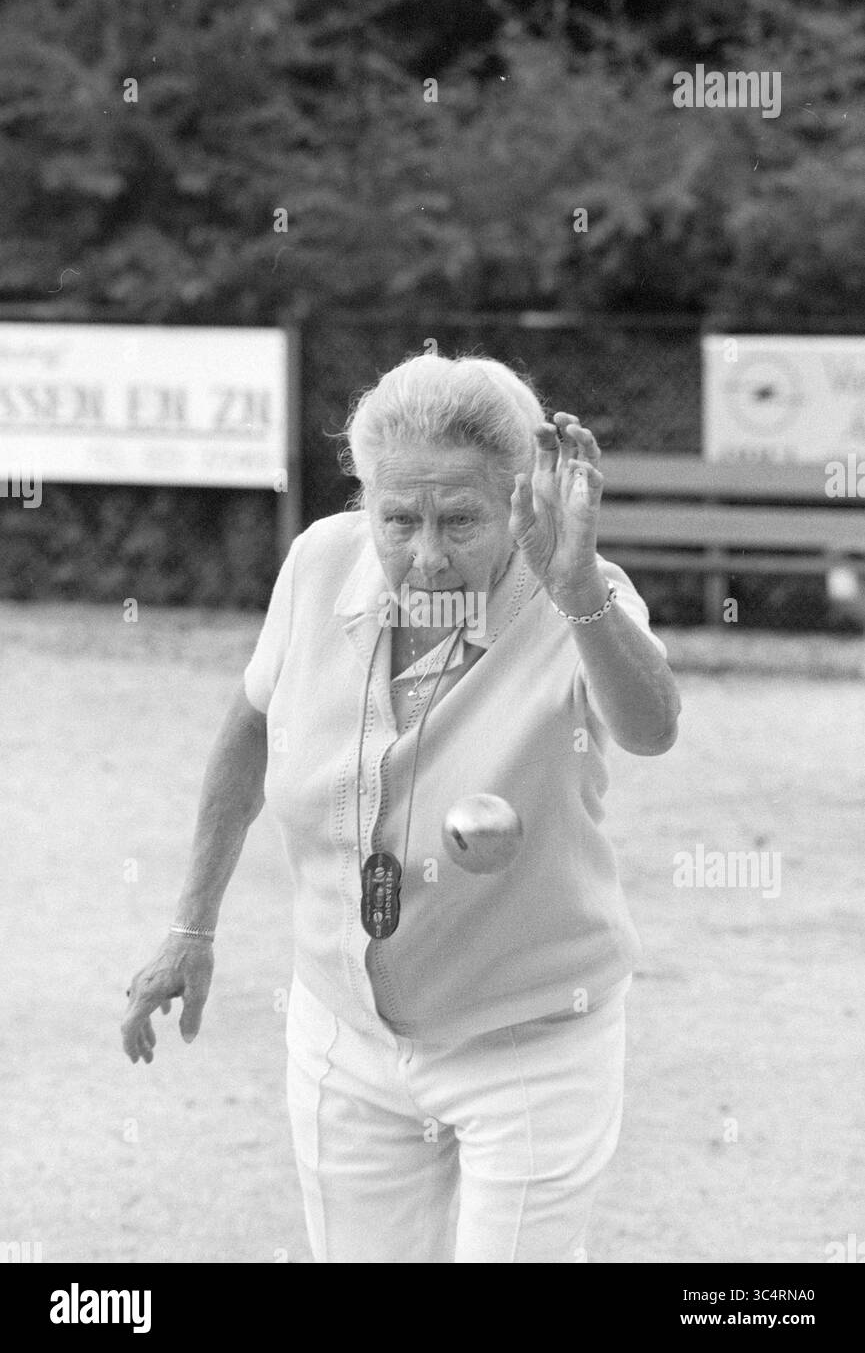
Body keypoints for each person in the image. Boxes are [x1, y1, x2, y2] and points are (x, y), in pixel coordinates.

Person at [121, 352, 681, 1264]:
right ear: (364, 500)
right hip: (344, 1032)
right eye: (398, 519)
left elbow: (651, 726)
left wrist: (577, 592)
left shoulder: (581, 592)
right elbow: (250, 727)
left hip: (528, 1038)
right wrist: (191, 924)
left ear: (517, 498)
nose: (425, 554)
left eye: (459, 519)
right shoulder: (318, 564)